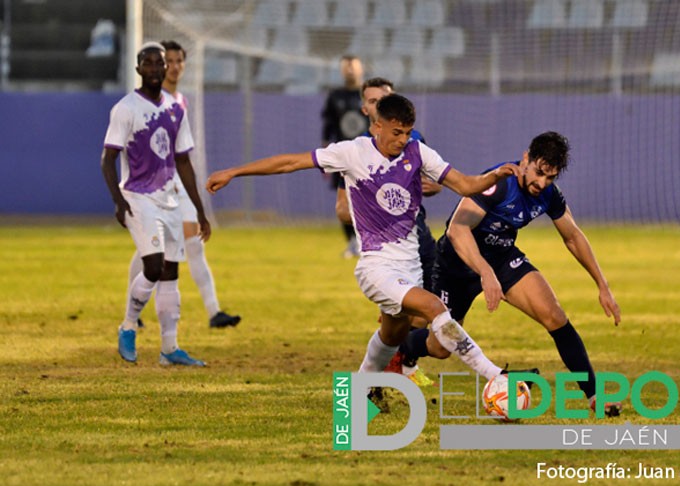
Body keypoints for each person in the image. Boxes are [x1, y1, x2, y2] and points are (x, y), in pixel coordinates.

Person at [207, 94, 536, 396]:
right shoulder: (351, 153)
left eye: (407, 132)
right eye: (396, 132)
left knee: (392, 336)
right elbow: (291, 163)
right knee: (436, 308)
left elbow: (465, 184)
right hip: (376, 266)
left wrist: (495, 176)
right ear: (376, 126)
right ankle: (495, 376)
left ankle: (359, 390)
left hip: (409, 266)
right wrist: (235, 172)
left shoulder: (418, 153)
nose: (402, 140)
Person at [397, 131, 623, 416]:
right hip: (457, 265)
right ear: (526, 158)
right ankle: (400, 346)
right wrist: (484, 272)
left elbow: (573, 237)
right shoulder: (498, 184)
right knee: (440, 347)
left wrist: (602, 285)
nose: (542, 183)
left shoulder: (548, 195)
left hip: (501, 256)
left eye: (550, 177)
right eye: (539, 172)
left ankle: (594, 397)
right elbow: (457, 230)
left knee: (554, 315)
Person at [101, 41, 209, 366]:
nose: (153, 69)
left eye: (158, 64)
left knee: (171, 272)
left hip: (170, 199)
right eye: (146, 63)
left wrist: (200, 210)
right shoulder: (125, 109)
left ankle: (169, 348)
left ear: (165, 69)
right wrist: (119, 203)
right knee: (152, 265)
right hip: (138, 197)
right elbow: (108, 160)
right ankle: (128, 325)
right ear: (138, 69)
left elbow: (184, 162)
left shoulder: (176, 110)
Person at [125, 40, 241, 330]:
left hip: (179, 183)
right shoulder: (149, 101)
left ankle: (214, 312)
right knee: (152, 248)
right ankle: (134, 312)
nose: (175, 67)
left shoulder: (181, 101)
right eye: (170, 61)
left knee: (192, 243)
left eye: (179, 61)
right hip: (156, 185)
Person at [335, 77, 440, 386]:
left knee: (418, 315)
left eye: (384, 97)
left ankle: (393, 366)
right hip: (383, 247)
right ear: (365, 108)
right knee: (411, 312)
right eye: (371, 100)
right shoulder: (355, 152)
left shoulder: (411, 139)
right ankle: (394, 369)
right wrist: (371, 211)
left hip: (417, 233)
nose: (377, 103)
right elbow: (341, 207)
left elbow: (434, 182)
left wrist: (402, 190)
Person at [321, 55, 370, 258]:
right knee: (344, 200)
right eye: (346, 67)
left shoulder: (369, 94)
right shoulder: (335, 96)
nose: (350, 70)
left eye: (353, 66)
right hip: (342, 156)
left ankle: (366, 241)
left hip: (368, 155)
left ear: (362, 69)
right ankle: (352, 242)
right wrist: (325, 152)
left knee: (368, 198)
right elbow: (328, 126)